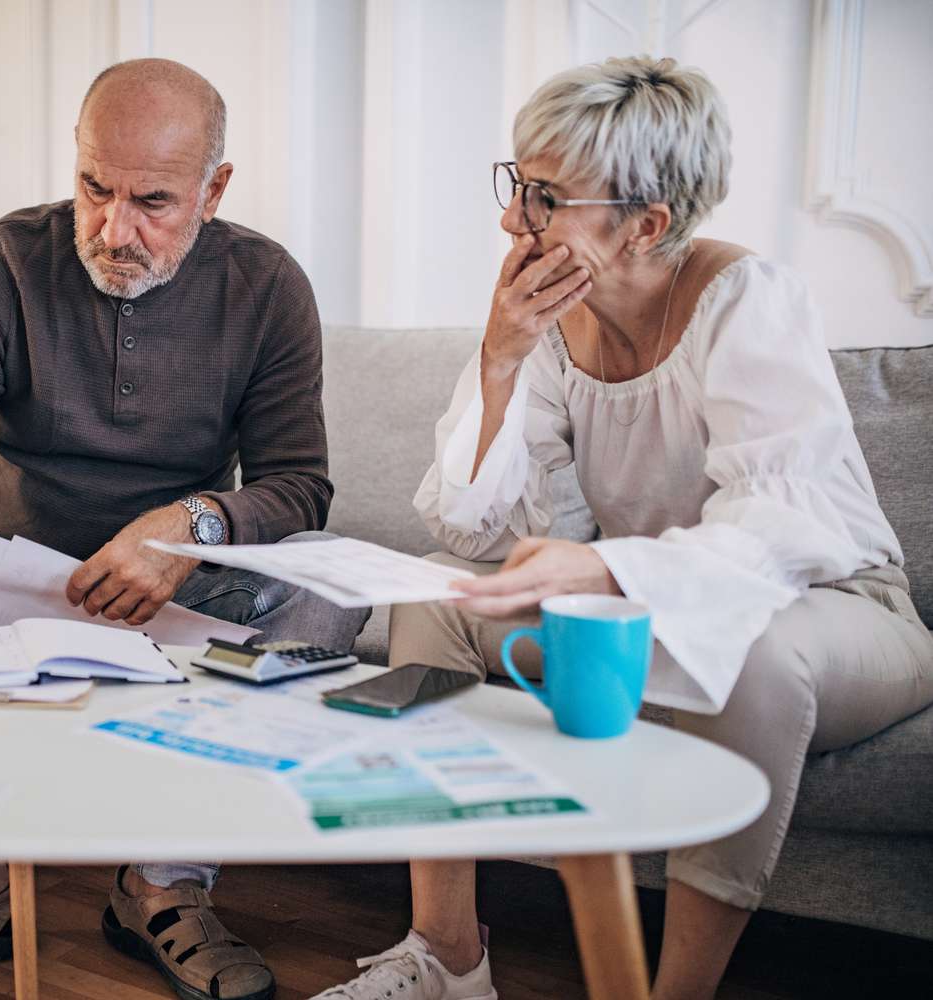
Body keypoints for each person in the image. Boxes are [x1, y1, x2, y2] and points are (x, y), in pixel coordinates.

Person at [309, 56, 933, 1000]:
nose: (514, 220)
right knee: (439, 591)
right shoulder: (558, 327)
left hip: (835, 611)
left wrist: (606, 570)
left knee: (752, 652)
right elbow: (477, 532)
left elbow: (783, 524)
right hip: (647, 614)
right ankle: (445, 956)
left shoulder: (748, 300)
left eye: (546, 196)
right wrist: (499, 362)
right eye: (518, 185)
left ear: (647, 222)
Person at [0, 58, 369, 1000]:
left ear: (215, 190)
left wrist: (191, 526)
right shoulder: (2, 263)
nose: (112, 229)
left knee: (331, 581)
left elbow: (299, 489)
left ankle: (162, 884)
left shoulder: (266, 287)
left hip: (181, 594)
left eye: (153, 202)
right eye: (95, 187)